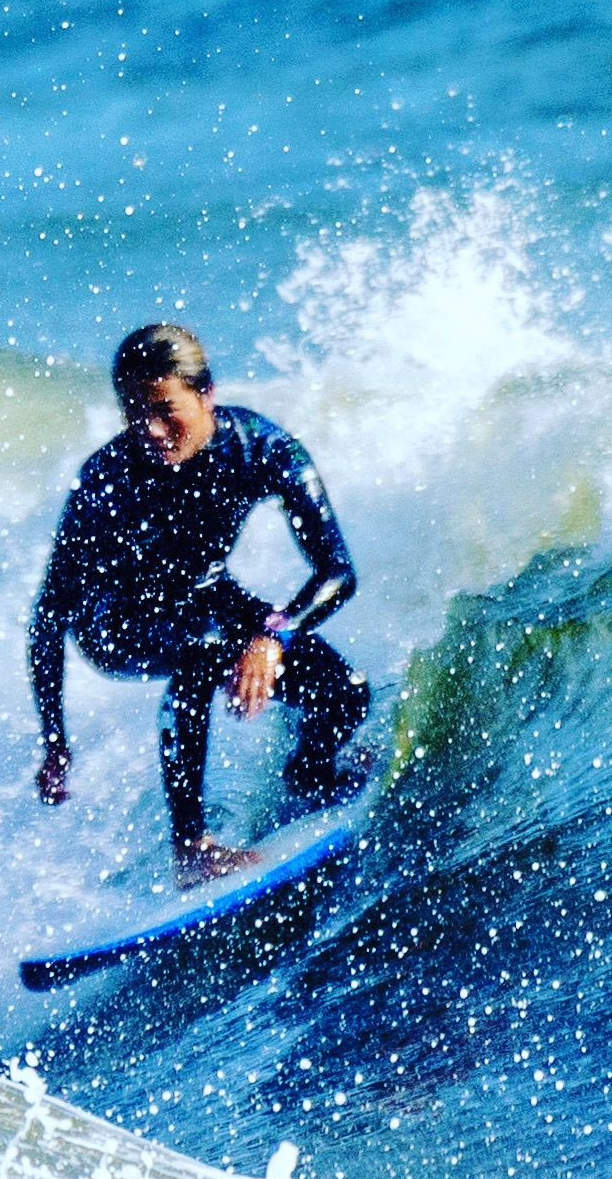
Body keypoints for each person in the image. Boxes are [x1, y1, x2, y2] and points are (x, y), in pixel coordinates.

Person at [28, 322, 365, 883]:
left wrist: (273, 637)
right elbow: (49, 615)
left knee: (345, 691)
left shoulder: (260, 448)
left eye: (166, 409)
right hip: (113, 618)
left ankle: (310, 773)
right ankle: (191, 848)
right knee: (204, 649)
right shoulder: (106, 479)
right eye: (135, 413)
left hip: (204, 596)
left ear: (206, 393)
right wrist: (55, 743)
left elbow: (337, 572)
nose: (151, 430)